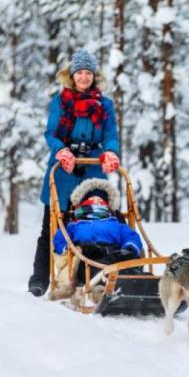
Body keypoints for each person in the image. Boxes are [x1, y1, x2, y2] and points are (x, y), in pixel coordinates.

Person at [28, 49, 121, 296]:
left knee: (96, 223)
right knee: (52, 227)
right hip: (63, 172)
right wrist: (61, 151)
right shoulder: (61, 101)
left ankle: (92, 277)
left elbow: (110, 134)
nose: (83, 77)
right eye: (79, 72)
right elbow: (52, 133)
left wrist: (111, 152)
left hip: (92, 170)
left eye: (88, 73)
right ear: (72, 75)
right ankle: (39, 280)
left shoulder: (105, 105)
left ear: (94, 76)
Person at [51, 178, 143, 300]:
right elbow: (60, 239)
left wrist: (129, 248)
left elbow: (131, 236)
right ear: (83, 203)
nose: (96, 202)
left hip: (115, 254)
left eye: (100, 200)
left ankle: (146, 285)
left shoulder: (116, 223)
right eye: (91, 200)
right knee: (98, 268)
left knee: (126, 266)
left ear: (107, 206)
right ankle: (102, 290)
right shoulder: (74, 225)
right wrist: (71, 248)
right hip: (88, 257)